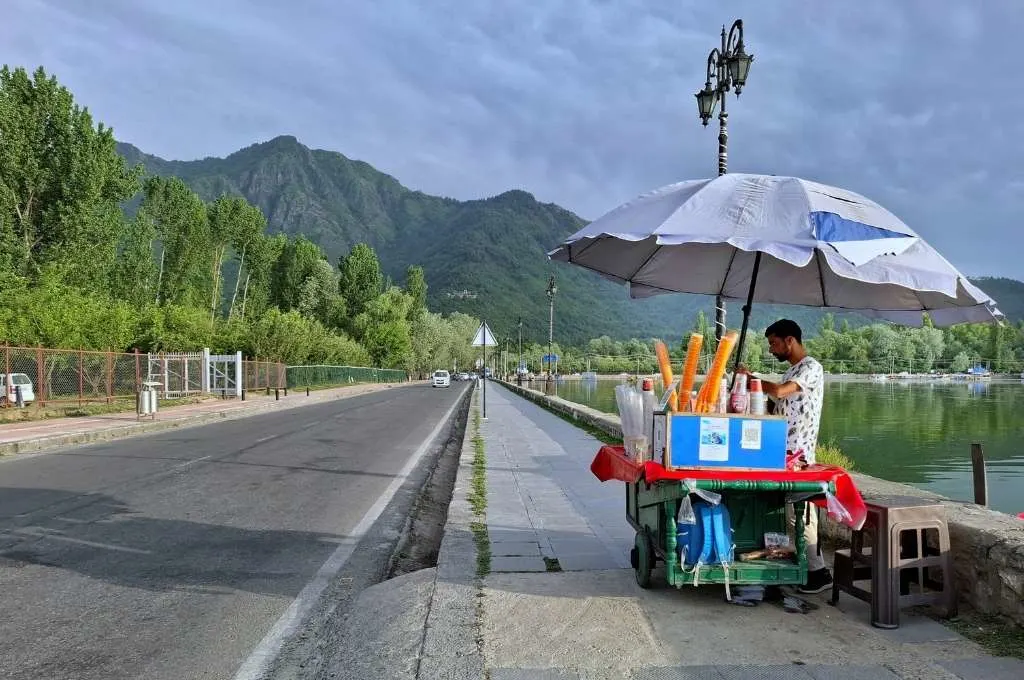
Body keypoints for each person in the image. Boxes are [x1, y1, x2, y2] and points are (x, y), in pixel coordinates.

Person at [737, 319, 832, 594]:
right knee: (791, 515)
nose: (771, 350)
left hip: (800, 455)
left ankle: (818, 573)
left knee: (803, 515)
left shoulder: (811, 368)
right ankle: (803, 563)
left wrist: (752, 379)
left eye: (774, 343)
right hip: (783, 454)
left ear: (790, 340)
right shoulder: (791, 371)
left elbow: (779, 392)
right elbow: (774, 404)